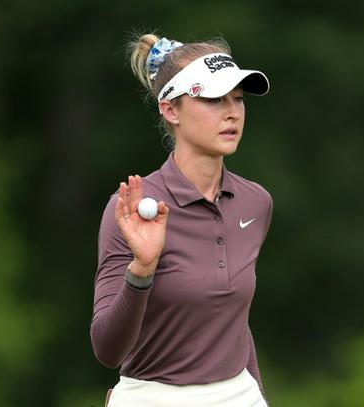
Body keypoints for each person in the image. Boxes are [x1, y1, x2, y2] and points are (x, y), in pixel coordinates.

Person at [90, 32, 272, 407]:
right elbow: (107, 350)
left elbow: (234, 325)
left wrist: (259, 397)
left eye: (238, 98)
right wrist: (141, 271)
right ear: (171, 110)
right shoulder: (132, 209)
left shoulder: (255, 203)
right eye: (214, 99)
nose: (232, 112)